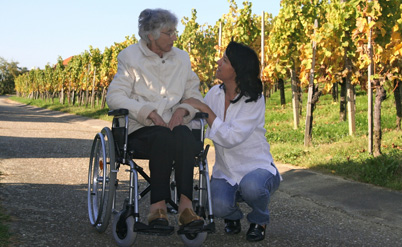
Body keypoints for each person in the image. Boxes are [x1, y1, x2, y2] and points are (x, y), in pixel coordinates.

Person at [106, 8, 205, 229]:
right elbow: (114, 97)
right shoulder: (130, 57)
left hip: (173, 124)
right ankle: (157, 208)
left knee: (182, 135)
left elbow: (194, 94)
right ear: (151, 35)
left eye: (174, 32)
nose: (174, 37)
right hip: (140, 128)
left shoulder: (182, 58)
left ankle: (186, 208)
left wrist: (183, 110)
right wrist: (147, 112)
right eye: (168, 33)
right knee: (163, 136)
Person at [182, 41, 281, 242]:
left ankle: (259, 219)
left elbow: (231, 138)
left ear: (237, 69)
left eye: (225, 60)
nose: (218, 62)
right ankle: (232, 216)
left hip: (256, 168)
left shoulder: (254, 99)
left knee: (252, 187)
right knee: (217, 205)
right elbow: (198, 122)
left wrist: (206, 110)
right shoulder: (214, 94)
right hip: (226, 171)